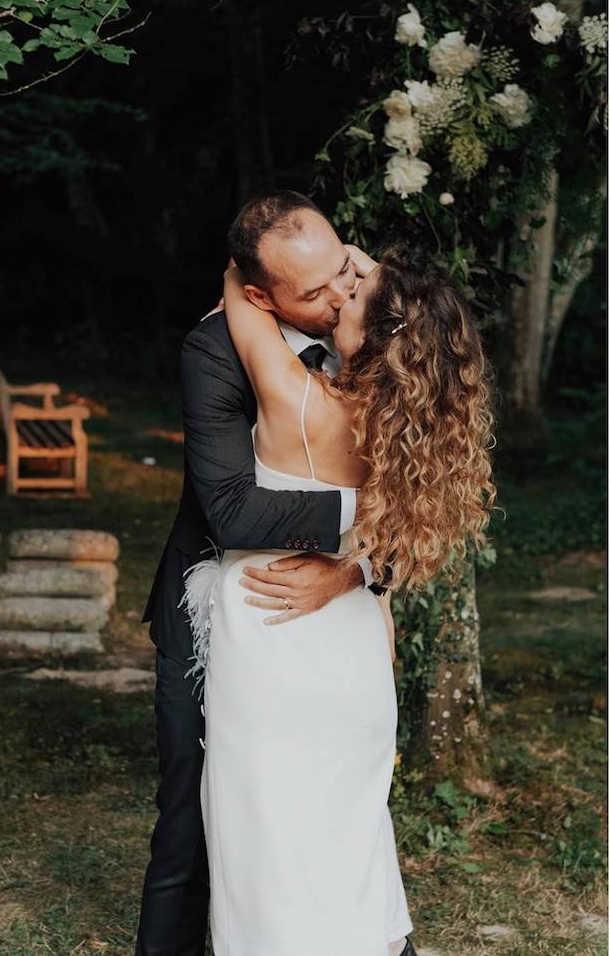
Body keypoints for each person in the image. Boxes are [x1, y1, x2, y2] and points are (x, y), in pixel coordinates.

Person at [182, 199, 496, 955]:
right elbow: (391, 538)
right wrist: (356, 269)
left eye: (350, 293)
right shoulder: (405, 431)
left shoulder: (300, 403)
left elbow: (243, 299)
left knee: (267, 843)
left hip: (275, 649)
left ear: (376, 337)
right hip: (355, 654)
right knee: (350, 833)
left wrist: (253, 264)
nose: (339, 292)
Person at [135, 191, 402, 956]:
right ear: (260, 296)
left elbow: (420, 484)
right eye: (310, 293)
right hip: (214, 594)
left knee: (332, 800)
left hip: (331, 615)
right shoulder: (217, 350)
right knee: (190, 809)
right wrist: (359, 524)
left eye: (340, 277)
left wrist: (355, 572)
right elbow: (229, 510)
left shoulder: (380, 331)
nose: (334, 300)